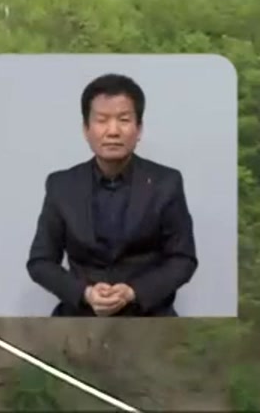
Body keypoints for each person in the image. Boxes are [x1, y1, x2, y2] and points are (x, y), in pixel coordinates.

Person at [25, 73, 197, 317]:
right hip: (79, 316)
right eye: (102, 120)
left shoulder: (166, 183)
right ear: (86, 129)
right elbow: (40, 262)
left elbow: (183, 259)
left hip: (149, 317)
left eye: (124, 120)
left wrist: (133, 292)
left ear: (139, 129)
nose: (113, 131)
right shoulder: (61, 185)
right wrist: (84, 293)